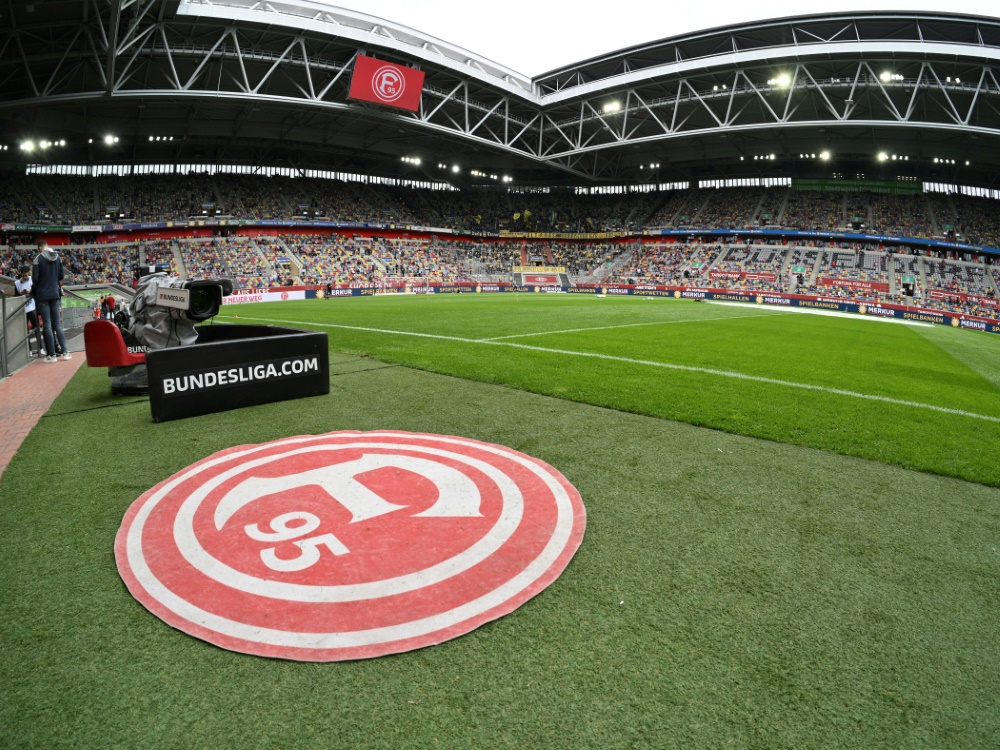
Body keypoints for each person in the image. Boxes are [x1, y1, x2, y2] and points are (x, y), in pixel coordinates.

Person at [31, 241, 70, 362]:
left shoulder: (38, 259)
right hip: (55, 294)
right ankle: (66, 352)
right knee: (57, 324)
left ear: (40, 248)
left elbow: (35, 279)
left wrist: (41, 286)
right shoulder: (57, 257)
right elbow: (61, 275)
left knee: (47, 325)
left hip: (43, 295)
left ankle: (52, 355)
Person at [15, 267, 44, 357]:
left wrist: (30, 291)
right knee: (25, 331)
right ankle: (29, 350)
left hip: (33, 307)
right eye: (23, 276)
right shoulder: (17, 283)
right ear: (21, 274)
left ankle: (40, 348)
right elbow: (15, 296)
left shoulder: (32, 280)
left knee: (36, 329)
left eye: (26, 275)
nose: (25, 277)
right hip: (23, 309)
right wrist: (21, 293)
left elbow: (38, 290)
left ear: (29, 273)